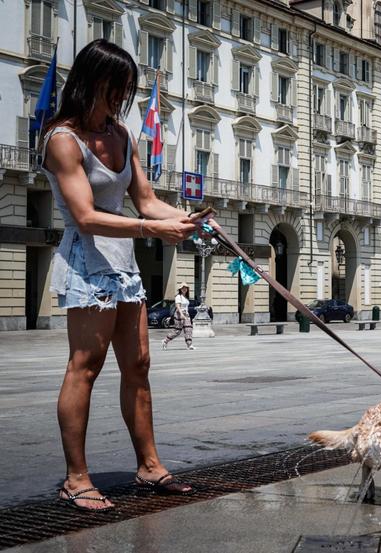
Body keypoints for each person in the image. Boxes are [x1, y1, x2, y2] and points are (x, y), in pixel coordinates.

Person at [40, 39, 218, 511]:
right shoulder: (63, 139)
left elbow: (146, 200)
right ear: (89, 82)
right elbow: (84, 215)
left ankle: (149, 465)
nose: (120, 98)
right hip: (87, 262)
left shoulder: (121, 135)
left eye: (125, 89)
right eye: (114, 87)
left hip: (124, 264)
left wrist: (187, 218)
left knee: (138, 365)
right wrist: (152, 228)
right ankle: (76, 478)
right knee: (86, 366)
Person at [162, 283, 195, 350]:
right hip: (179, 314)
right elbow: (178, 307)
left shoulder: (186, 297)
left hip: (186, 315)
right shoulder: (178, 297)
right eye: (183, 288)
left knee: (188, 329)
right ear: (180, 289)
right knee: (177, 331)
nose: (184, 289)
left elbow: (186, 307)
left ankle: (189, 345)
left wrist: (186, 315)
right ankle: (165, 341)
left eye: (186, 288)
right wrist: (182, 314)